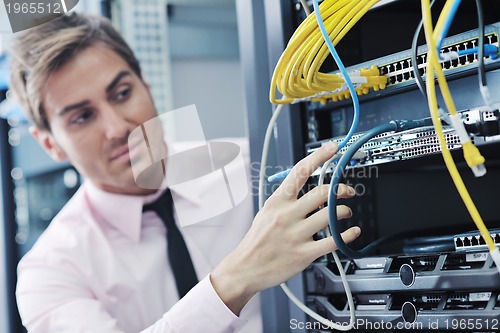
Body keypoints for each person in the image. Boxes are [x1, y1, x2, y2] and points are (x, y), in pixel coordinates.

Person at [8, 12, 361, 333]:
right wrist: (235, 279)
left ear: (145, 84)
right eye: (82, 117)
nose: (117, 127)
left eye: (121, 93)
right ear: (50, 144)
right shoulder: (51, 272)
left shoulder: (259, 166)